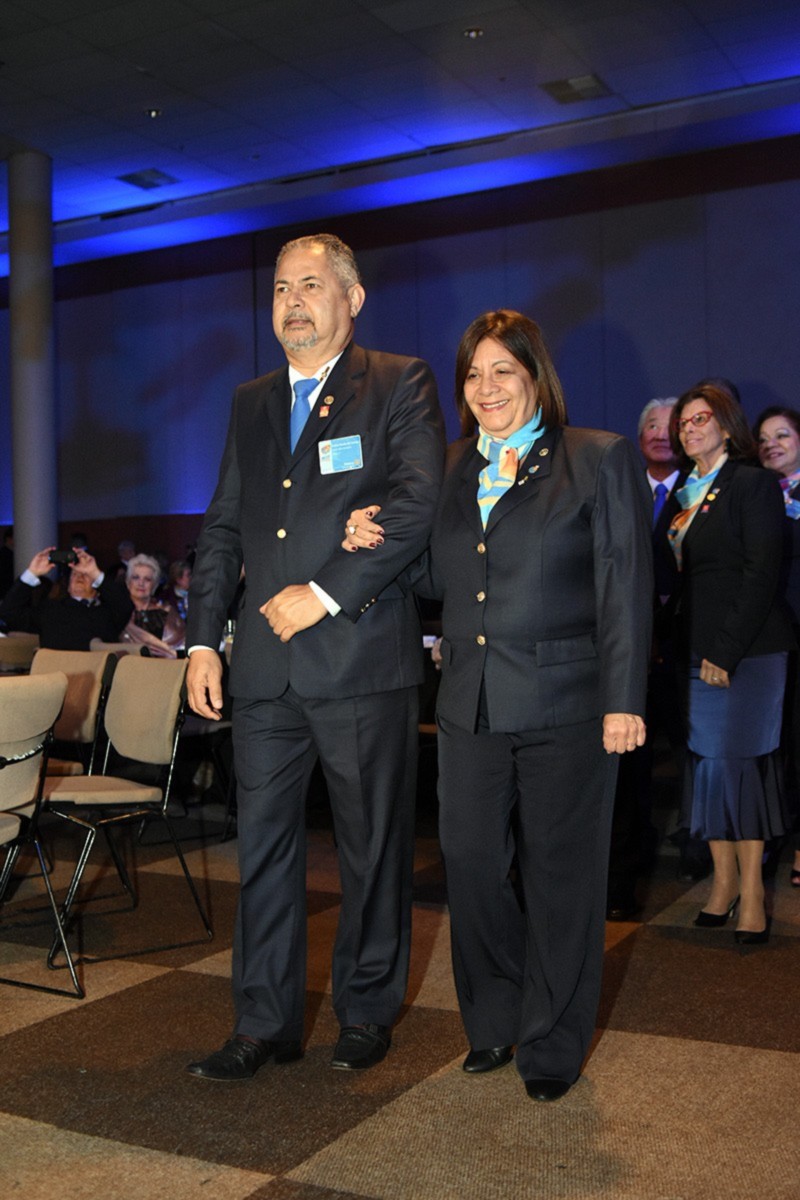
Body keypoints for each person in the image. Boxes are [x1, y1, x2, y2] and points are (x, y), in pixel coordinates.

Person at [344, 309, 652, 1102]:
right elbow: (436, 579)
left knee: (560, 881)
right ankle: (495, 1019)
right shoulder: (448, 467)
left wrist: (624, 699)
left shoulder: (597, 457)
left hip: (568, 705)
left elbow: (624, 587)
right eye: (474, 375)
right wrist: (373, 541)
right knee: (472, 865)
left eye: (503, 371)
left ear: (535, 377)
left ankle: (551, 1044)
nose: (487, 388)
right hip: (468, 704)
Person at [184, 233, 445, 1082]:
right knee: (262, 850)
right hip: (264, 669)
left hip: (360, 659)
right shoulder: (250, 400)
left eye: (310, 286)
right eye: (280, 289)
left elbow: (416, 505)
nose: (292, 303)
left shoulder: (398, 381)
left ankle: (366, 1011)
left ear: (352, 299)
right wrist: (202, 639)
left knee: (371, 847)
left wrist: (325, 592)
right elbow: (224, 526)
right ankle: (263, 1023)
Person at [668, 385, 794, 944]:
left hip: (748, 652)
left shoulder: (751, 482)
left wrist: (725, 651)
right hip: (695, 650)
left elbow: (761, 571)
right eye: (683, 422)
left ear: (726, 425)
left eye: (701, 419)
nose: (689, 428)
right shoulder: (683, 493)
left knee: (741, 769)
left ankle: (754, 893)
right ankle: (722, 885)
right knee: (708, 768)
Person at [754, 405, 800, 888]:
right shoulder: (754, 493)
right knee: (773, 742)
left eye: (783, 435)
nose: (772, 444)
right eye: (764, 438)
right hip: (769, 637)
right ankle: (771, 836)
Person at [0, 546, 133, 649]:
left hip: (96, 674)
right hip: (57, 673)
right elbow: (9, 612)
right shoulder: (50, 610)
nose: (80, 577)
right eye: (74, 574)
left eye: (85, 574)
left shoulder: (108, 613)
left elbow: (125, 606)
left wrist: (95, 572)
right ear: (68, 587)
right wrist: (32, 573)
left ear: (98, 588)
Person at [120, 553, 185, 656]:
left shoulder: (166, 612)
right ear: (128, 583)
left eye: (147, 579)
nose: (141, 583)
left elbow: (181, 649)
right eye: (136, 578)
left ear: (154, 585)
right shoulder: (117, 612)